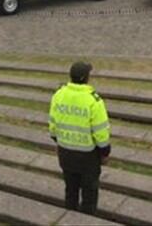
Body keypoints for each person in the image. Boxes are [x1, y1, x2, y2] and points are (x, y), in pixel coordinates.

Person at [49, 62, 111, 215]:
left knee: (71, 189)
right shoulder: (93, 100)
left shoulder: (59, 95)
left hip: (65, 152)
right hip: (88, 156)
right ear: (86, 78)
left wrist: (58, 141)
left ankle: (69, 217)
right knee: (89, 193)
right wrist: (105, 152)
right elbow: (101, 132)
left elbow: (53, 125)